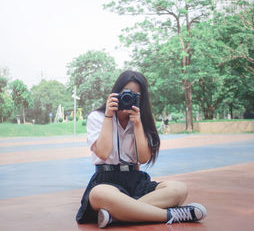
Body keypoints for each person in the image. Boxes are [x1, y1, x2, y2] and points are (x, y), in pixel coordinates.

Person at [76, 70, 207, 228]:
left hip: (135, 179)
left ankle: (117, 215)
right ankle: (171, 215)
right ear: (115, 93)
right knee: (99, 194)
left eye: (135, 95)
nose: (128, 98)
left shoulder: (142, 120)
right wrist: (109, 116)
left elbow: (143, 158)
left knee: (179, 189)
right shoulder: (97, 117)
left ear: (142, 99)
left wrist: (137, 124)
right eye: (126, 93)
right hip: (106, 179)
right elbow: (103, 153)